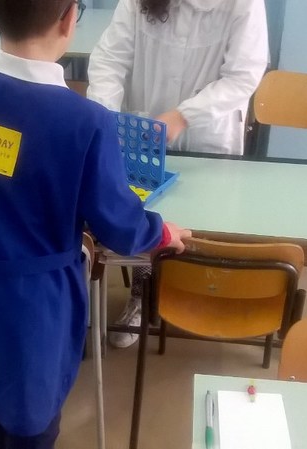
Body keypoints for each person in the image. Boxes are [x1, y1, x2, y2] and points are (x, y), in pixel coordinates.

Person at [0, 0, 191, 447]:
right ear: (69, 19)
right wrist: (162, 232)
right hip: (30, 306)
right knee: (32, 414)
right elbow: (119, 225)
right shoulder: (85, 121)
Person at [87, 0, 269, 348]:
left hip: (209, 133)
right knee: (148, 215)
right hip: (145, 130)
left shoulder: (243, 4)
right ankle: (141, 294)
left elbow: (243, 76)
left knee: (204, 221)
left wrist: (185, 115)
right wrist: (106, 117)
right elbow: (110, 58)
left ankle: (201, 292)